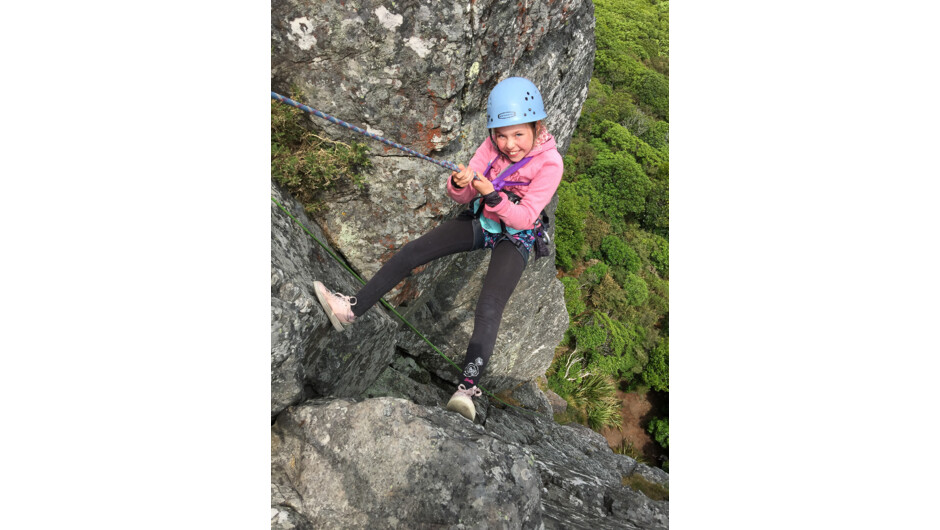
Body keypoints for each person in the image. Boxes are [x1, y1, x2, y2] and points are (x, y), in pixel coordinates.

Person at [312, 77, 563, 422]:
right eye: (501, 135)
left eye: (518, 134)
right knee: (414, 252)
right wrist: (459, 184)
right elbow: (461, 196)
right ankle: (350, 310)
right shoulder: (491, 146)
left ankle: (466, 390)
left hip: (516, 234)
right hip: (485, 219)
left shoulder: (550, 164)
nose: (508, 144)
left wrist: (492, 194)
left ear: (537, 126)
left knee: (489, 307)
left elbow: (523, 217)